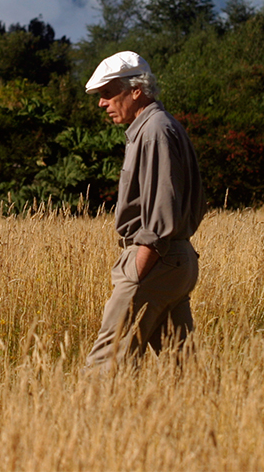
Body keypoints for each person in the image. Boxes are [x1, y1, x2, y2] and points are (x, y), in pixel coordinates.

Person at [82, 51, 205, 371]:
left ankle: (88, 420)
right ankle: (206, 418)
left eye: (108, 94)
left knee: (106, 364)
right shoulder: (162, 127)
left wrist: (139, 267)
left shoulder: (154, 132)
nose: (101, 103)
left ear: (136, 90)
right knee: (183, 369)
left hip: (155, 261)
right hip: (174, 260)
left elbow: (161, 208)